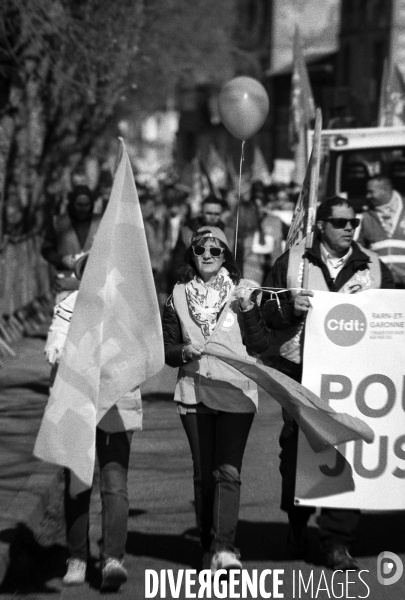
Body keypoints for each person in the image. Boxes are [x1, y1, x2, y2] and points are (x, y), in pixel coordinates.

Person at [241, 196, 394, 570]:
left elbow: (392, 317)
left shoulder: (373, 267)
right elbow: (265, 310)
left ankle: (337, 541)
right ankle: (297, 523)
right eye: (341, 222)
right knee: (296, 451)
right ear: (321, 225)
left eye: (353, 223)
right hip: (302, 373)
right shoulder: (293, 261)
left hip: (354, 376)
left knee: (345, 451)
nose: (349, 229)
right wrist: (290, 308)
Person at [162, 226, 262, 573]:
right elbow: (169, 351)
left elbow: (260, 344)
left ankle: (224, 548)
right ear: (191, 254)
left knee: (228, 472)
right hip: (194, 391)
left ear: (225, 256)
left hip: (237, 392)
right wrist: (183, 350)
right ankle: (208, 545)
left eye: (215, 250)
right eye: (200, 249)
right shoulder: (175, 295)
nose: (207, 255)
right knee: (205, 474)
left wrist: (248, 309)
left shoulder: (242, 292)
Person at [44, 253, 141, 591]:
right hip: (76, 404)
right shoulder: (68, 304)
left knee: (114, 483)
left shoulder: (128, 309)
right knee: (77, 484)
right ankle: (78, 558)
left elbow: (142, 351)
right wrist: (63, 350)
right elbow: (54, 342)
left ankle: (112, 558)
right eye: (89, 271)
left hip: (116, 404)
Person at [41, 185, 101, 301]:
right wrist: (61, 259)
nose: (83, 209)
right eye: (79, 205)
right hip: (66, 285)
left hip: (95, 286)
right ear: (73, 203)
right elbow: (46, 249)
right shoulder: (58, 222)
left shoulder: (102, 221)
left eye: (86, 205)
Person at [166, 195, 227, 292]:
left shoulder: (228, 233)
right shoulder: (188, 231)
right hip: (192, 285)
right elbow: (178, 263)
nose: (212, 217)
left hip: (220, 287)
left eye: (216, 214)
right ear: (201, 212)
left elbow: (235, 264)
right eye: (209, 213)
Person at [357, 175, 405, 288]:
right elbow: (358, 251)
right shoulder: (366, 216)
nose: (367, 196)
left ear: (385, 190)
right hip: (381, 285)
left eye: (371, 192)